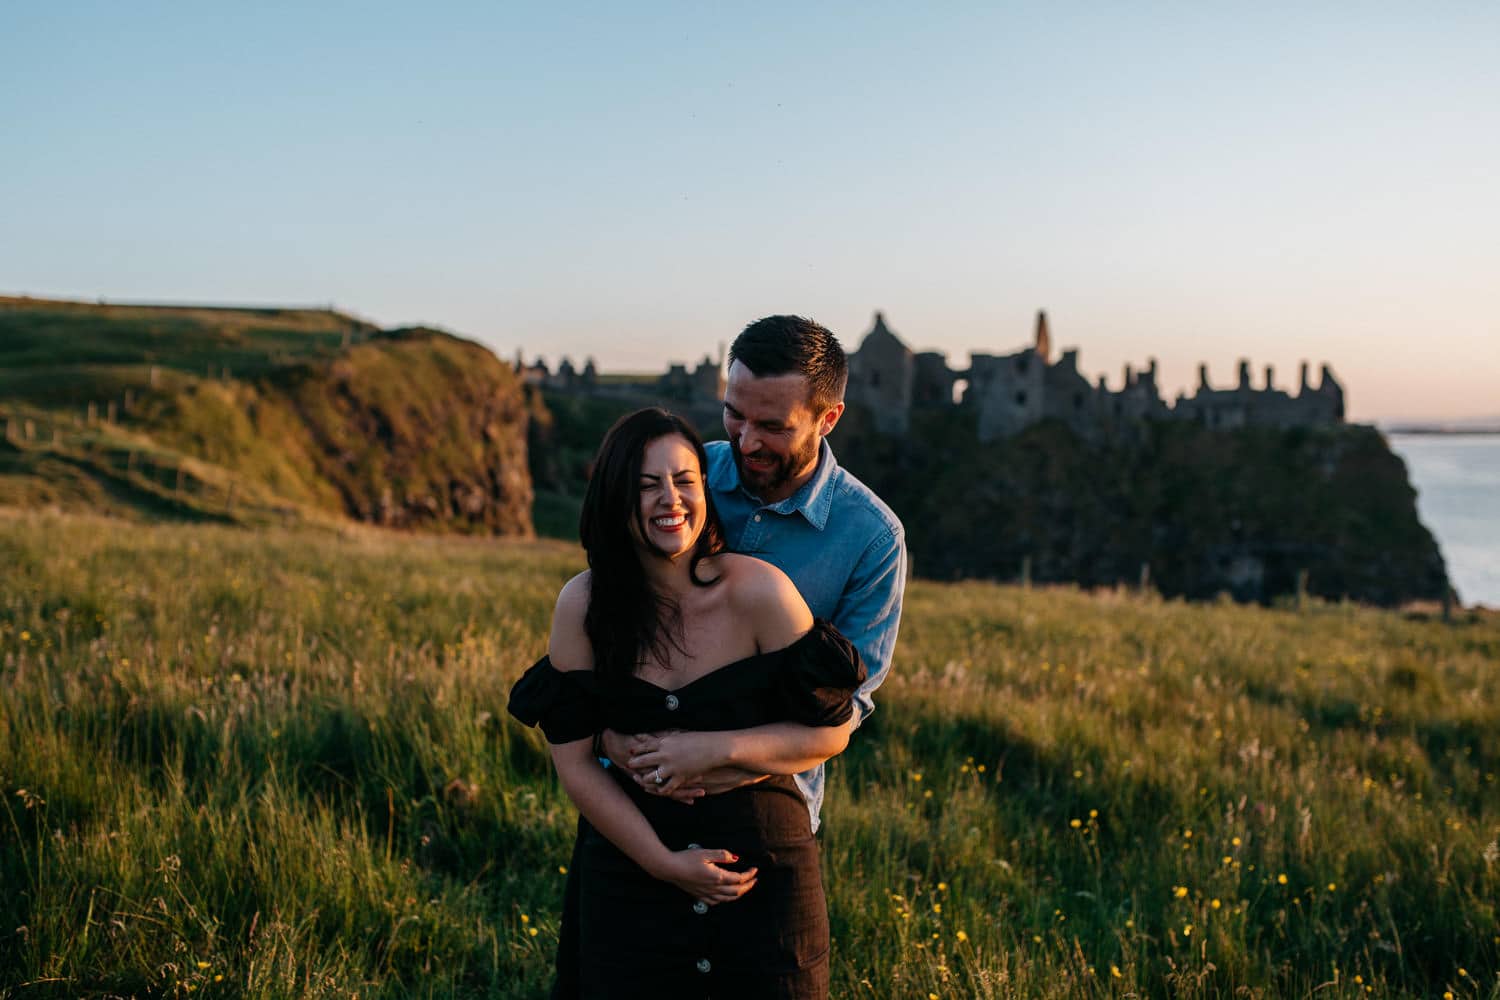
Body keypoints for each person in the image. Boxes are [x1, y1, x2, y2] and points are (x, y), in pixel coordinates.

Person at [550, 316, 907, 997]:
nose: (745, 441)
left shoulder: (872, 537)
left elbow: (844, 714)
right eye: (733, 414)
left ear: (827, 417)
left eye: (772, 426)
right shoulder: (689, 472)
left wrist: (714, 753)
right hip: (634, 806)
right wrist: (612, 738)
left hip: (766, 821)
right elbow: (607, 622)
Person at [509, 407, 868, 998]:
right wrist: (660, 862)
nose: (669, 500)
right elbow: (573, 762)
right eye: (646, 485)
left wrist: (713, 749)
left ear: (706, 489)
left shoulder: (760, 591)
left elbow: (833, 731)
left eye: (683, 480)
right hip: (629, 875)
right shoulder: (583, 605)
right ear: (614, 497)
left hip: (761, 879)